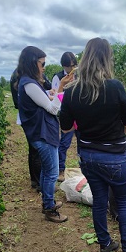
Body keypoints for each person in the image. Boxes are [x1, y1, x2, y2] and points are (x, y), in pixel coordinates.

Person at [59, 37, 126, 252]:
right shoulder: (115, 86)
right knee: (124, 203)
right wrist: (117, 133)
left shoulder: (71, 92)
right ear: (106, 59)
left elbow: (65, 127)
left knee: (99, 200)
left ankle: (105, 244)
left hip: (88, 157)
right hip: (115, 158)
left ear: (85, 58)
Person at [16, 46, 72, 223]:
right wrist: (61, 87)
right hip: (42, 134)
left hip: (41, 132)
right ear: (33, 63)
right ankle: (49, 208)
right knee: (52, 172)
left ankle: (48, 201)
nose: (44, 67)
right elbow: (53, 109)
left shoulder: (28, 82)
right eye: (42, 63)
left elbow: (43, 101)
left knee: (47, 170)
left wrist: (51, 93)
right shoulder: (30, 84)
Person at [10, 68, 52, 192]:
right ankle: (38, 181)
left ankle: (36, 179)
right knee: (36, 150)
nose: (43, 66)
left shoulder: (20, 75)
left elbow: (47, 86)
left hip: (27, 115)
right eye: (41, 63)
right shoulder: (27, 79)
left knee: (34, 149)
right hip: (31, 117)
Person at [52, 52, 79, 182]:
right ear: (64, 66)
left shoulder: (79, 76)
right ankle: (60, 169)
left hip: (79, 114)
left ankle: (85, 169)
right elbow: (55, 96)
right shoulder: (58, 78)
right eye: (70, 66)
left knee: (82, 142)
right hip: (67, 114)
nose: (73, 68)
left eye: (74, 65)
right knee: (64, 143)